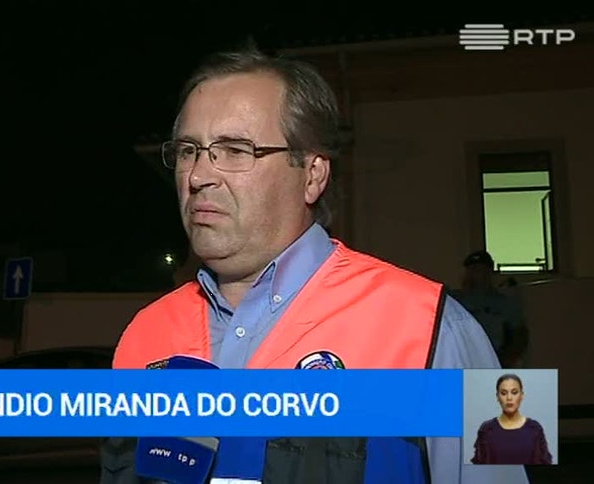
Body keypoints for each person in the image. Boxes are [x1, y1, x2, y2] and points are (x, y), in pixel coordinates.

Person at [100, 48, 528, 483]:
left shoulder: (440, 327)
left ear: (312, 175)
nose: (197, 176)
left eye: (235, 150)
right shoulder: (143, 335)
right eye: (189, 151)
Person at [452, 250, 528, 368]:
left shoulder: (504, 303)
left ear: (489, 273)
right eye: (470, 270)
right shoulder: (454, 300)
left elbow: (519, 335)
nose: (473, 275)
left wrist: (506, 359)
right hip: (461, 360)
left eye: (479, 270)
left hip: (492, 360)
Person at [471, 374, 553, 465]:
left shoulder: (534, 429)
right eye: (503, 393)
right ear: (497, 396)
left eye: (514, 392)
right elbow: (480, 466)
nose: (509, 398)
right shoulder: (487, 429)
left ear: (521, 395)